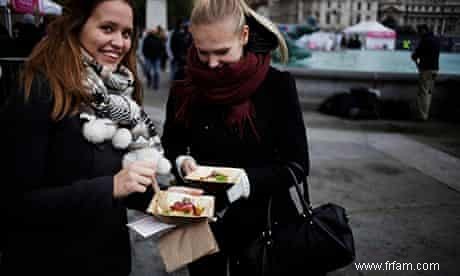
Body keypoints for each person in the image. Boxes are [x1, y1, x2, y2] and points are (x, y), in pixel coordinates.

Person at [1, 1, 162, 275]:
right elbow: (15, 204)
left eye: (126, 33)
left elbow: (120, 186)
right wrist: (109, 187)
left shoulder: (119, 94)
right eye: (107, 28)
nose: (119, 42)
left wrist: (167, 200)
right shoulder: (39, 90)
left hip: (109, 260)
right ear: (76, 28)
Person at [162, 0, 309, 275]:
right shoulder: (184, 87)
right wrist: (181, 160)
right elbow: (171, 144)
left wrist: (248, 181)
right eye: (203, 52)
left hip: (265, 225)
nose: (212, 64)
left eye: (222, 52)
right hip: (201, 222)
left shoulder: (277, 86)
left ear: (243, 36)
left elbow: (298, 164)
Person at [411, 24, 440, 121]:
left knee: (423, 93)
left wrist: (414, 57)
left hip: (426, 69)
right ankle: (426, 113)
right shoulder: (436, 39)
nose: (418, 34)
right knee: (429, 92)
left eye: (419, 32)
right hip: (435, 69)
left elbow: (417, 54)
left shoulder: (425, 40)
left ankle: (423, 116)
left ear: (423, 30)